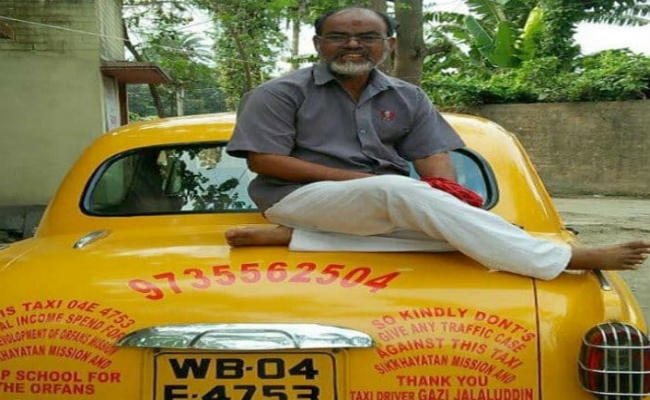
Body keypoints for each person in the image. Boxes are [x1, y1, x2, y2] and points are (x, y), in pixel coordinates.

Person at [224, 6, 649, 280]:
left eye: (368, 37)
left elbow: (432, 155)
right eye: (338, 36)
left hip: (385, 202)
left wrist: (448, 196)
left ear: (388, 45)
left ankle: (301, 239)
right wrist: (365, 182)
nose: (353, 44)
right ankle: (564, 259)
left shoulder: (407, 96)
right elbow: (265, 161)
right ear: (319, 44)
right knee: (414, 199)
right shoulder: (278, 94)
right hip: (298, 198)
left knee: (466, 230)